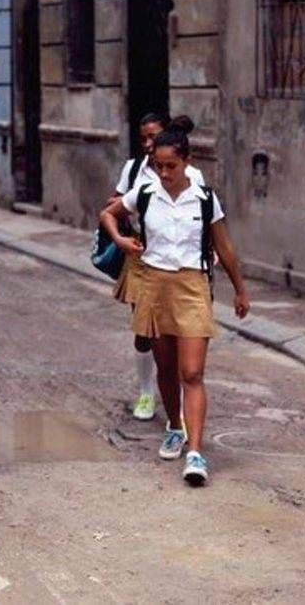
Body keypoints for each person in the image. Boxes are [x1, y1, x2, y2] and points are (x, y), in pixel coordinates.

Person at [100, 125, 249, 486]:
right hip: (153, 284)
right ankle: (174, 426)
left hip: (192, 286)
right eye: (158, 166)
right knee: (165, 369)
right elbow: (107, 214)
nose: (164, 174)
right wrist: (120, 240)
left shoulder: (204, 197)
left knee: (192, 372)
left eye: (170, 166)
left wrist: (240, 290)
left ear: (187, 161)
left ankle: (196, 454)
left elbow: (224, 248)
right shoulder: (146, 192)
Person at [111, 114, 204, 422]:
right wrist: (122, 234)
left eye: (154, 137)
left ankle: (179, 397)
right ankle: (147, 391)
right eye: (144, 139)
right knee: (145, 332)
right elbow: (114, 205)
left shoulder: (193, 174)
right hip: (143, 255)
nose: (149, 145)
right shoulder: (134, 169)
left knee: (180, 333)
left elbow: (205, 214)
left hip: (183, 264)